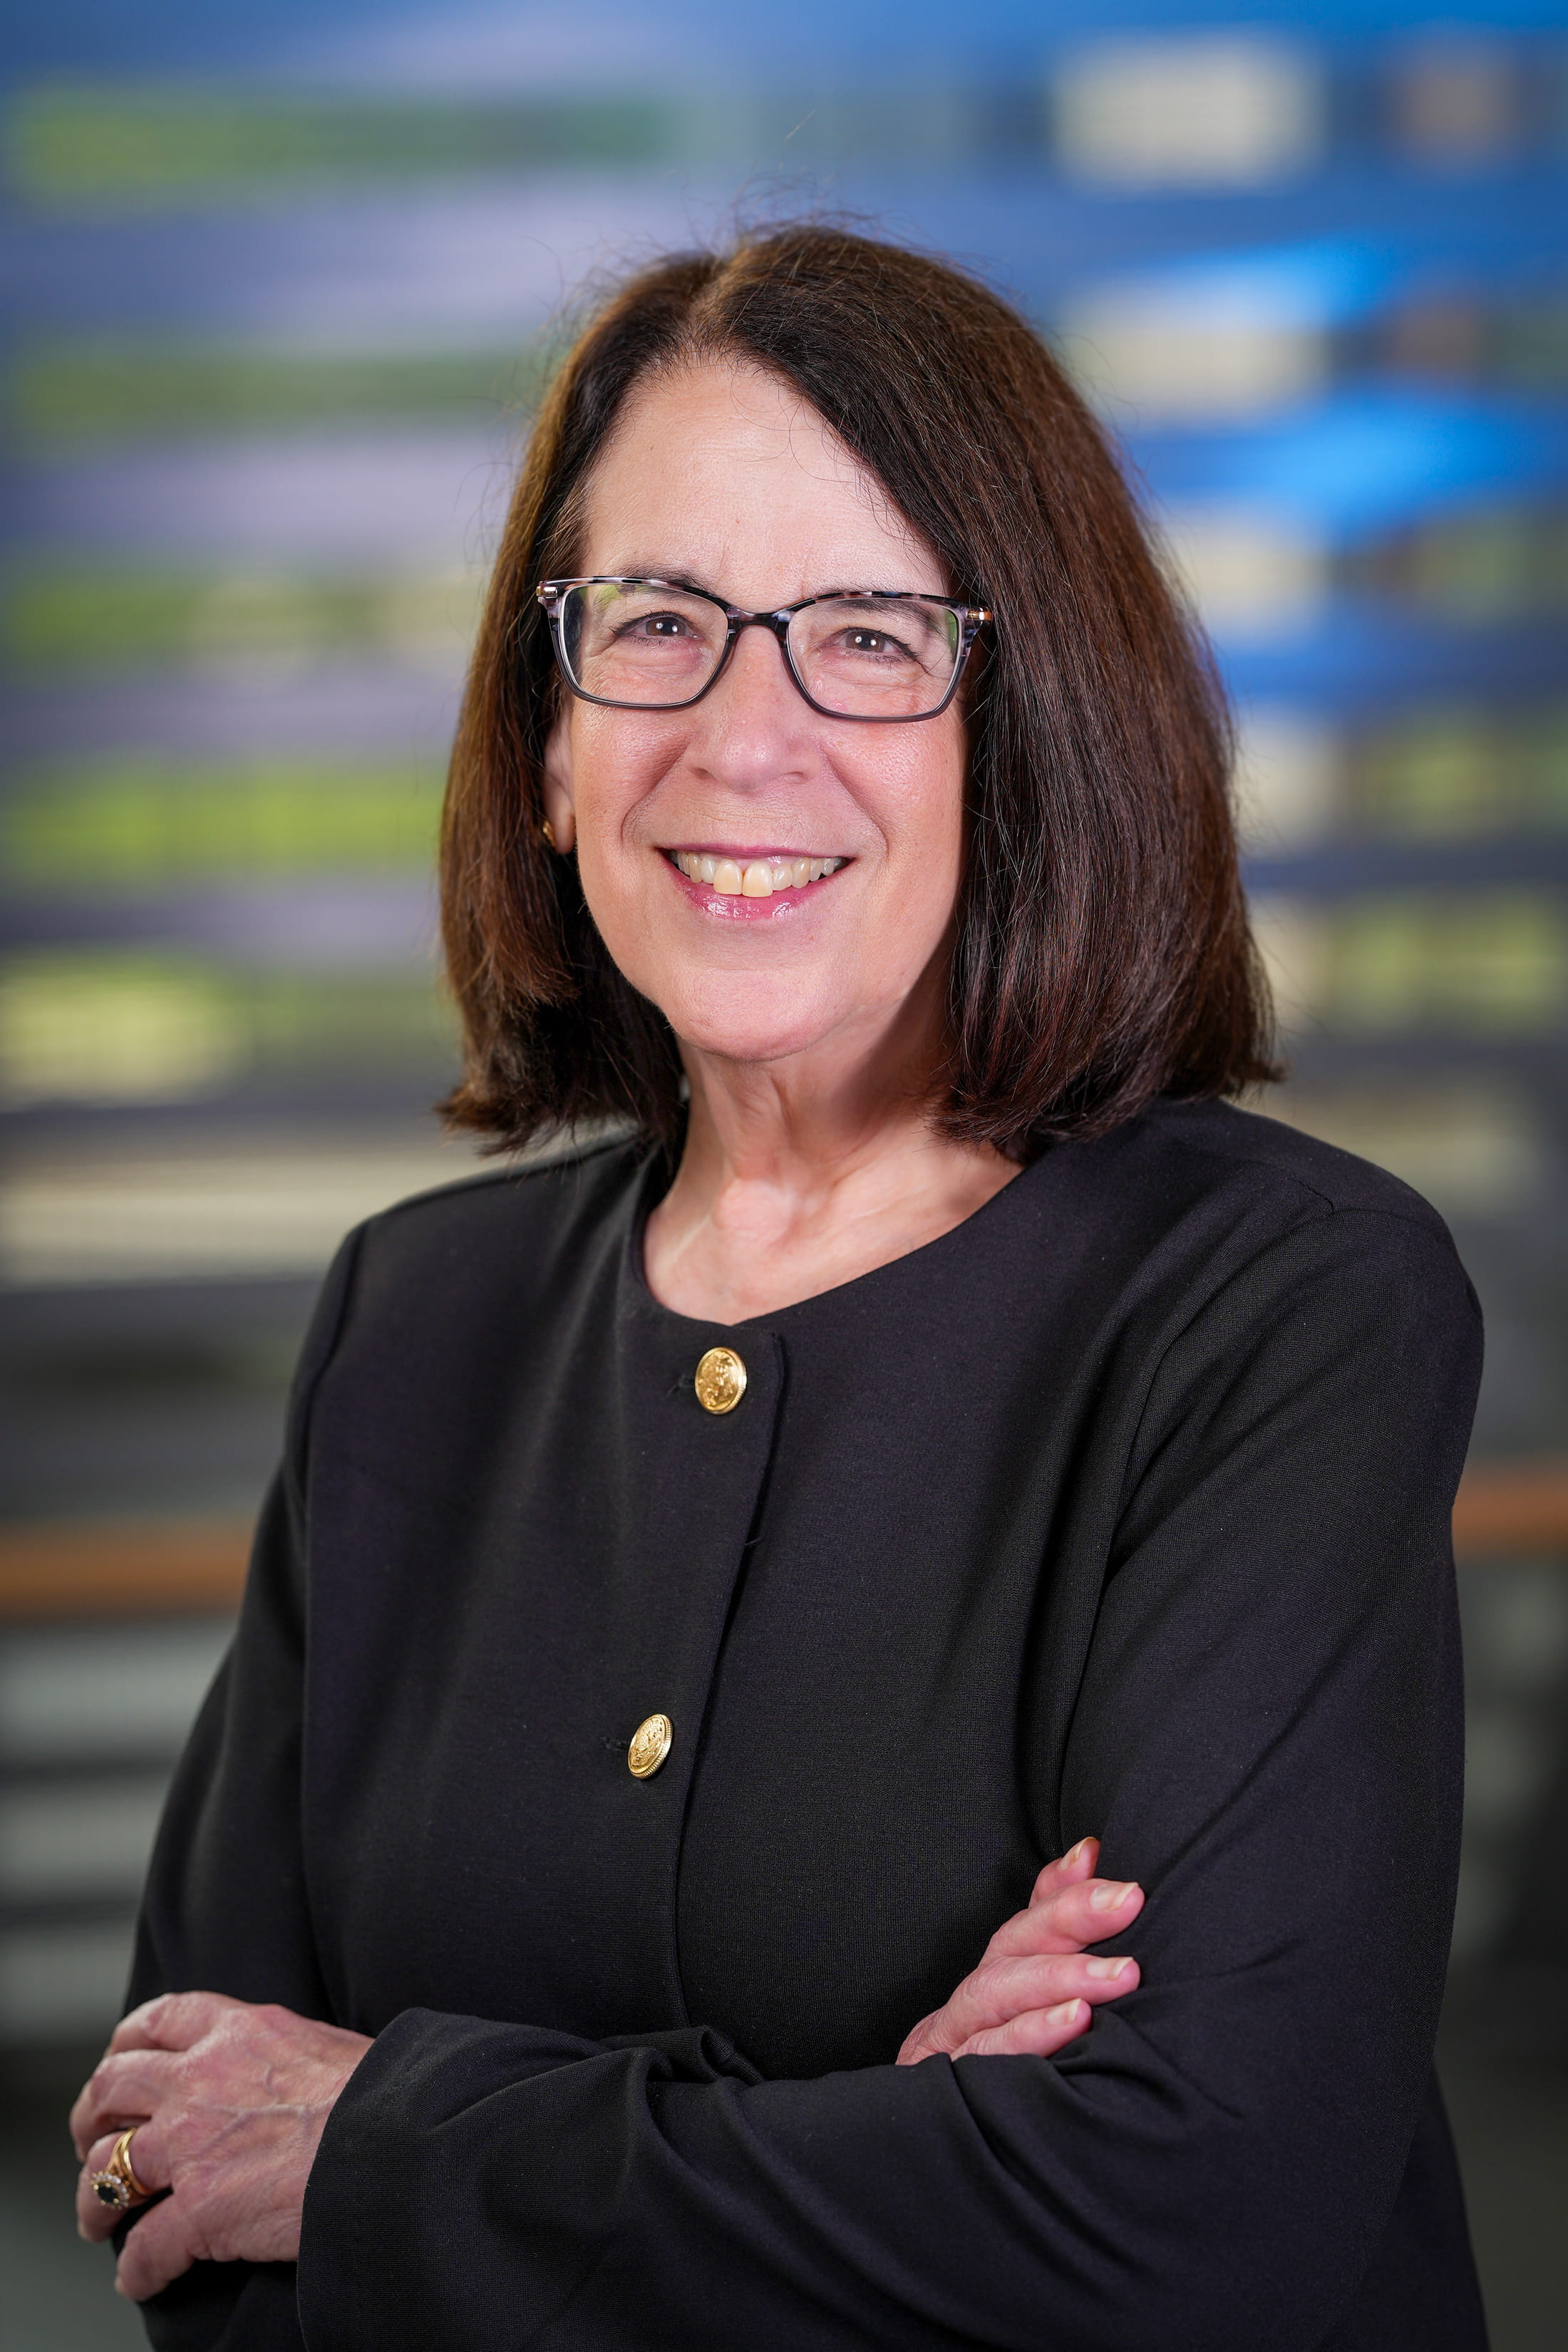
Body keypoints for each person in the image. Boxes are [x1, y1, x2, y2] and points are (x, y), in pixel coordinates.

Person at [71, 225, 1486, 2351]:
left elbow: (1199, 2217)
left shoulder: (1275, 1310)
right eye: (657, 622)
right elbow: (176, 2176)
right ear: (548, 751)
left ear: (1024, 729)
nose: (747, 736)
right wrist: (867, 2155)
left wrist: (391, 2143)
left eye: (867, 633)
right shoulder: (409, 1330)